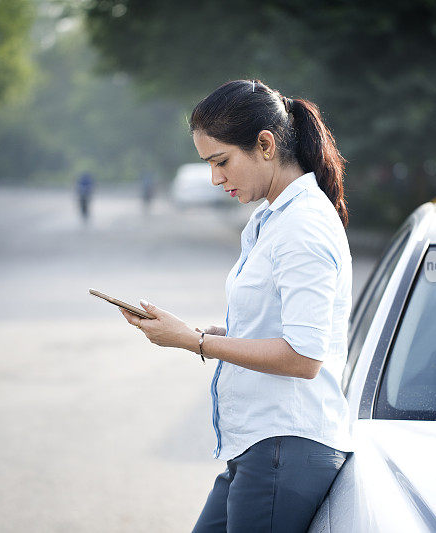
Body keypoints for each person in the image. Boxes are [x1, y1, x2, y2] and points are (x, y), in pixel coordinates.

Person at [118, 79, 352, 532]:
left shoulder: (302, 226)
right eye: (208, 164)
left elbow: (305, 357)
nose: (215, 178)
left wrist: (197, 342)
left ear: (265, 144)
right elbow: (278, 328)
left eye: (221, 161)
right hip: (261, 447)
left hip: (286, 446)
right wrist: (202, 333)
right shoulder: (271, 218)